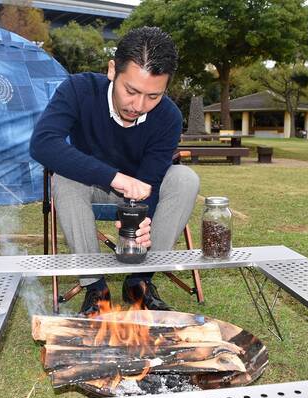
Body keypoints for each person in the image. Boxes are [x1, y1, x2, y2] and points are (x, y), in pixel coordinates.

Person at [30, 26, 199, 315]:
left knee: (185, 178)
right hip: (91, 186)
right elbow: (43, 144)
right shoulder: (79, 89)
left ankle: (140, 284)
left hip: (139, 192)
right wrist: (114, 178)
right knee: (64, 179)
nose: (139, 105)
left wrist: (140, 220)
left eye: (152, 96)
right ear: (112, 70)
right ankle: (95, 287)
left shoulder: (168, 116)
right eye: (131, 91)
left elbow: (151, 183)